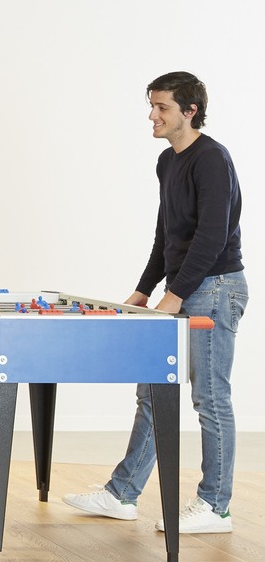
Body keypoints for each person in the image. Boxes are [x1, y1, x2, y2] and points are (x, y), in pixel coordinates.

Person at [64, 71, 247, 534]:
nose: (152, 115)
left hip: (215, 288)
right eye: (151, 105)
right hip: (184, 287)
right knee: (152, 391)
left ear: (190, 111)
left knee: (210, 397)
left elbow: (212, 236)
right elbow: (167, 234)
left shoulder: (212, 159)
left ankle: (215, 507)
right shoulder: (168, 161)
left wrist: (175, 294)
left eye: (162, 107)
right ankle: (122, 494)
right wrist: (144, 289)